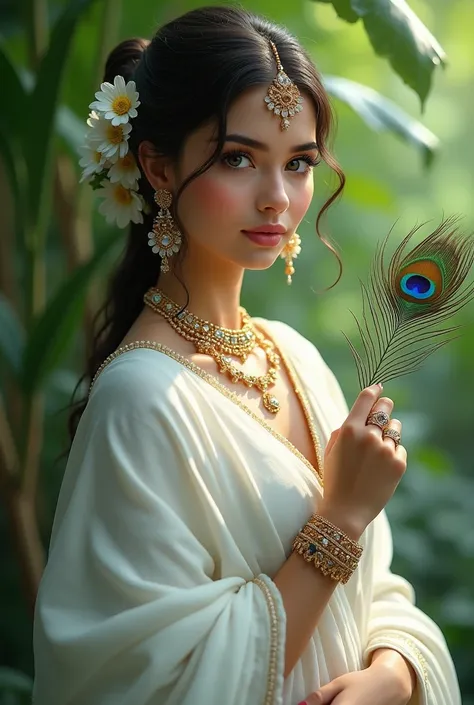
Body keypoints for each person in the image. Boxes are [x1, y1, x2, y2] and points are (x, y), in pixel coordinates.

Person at [32, 6, 461, 705]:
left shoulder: (294, 355)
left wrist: (394, 671)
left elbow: (382, 594)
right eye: (239, 158)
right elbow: (151, 683)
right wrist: (339, 519)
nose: (277, 199)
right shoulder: (141, 398)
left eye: (298, 163)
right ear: (158, 168)